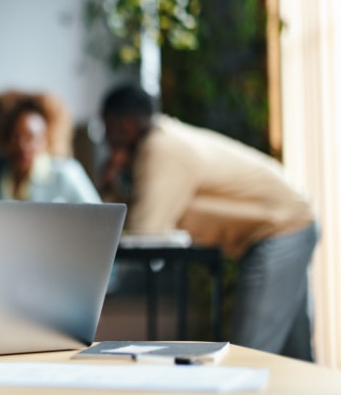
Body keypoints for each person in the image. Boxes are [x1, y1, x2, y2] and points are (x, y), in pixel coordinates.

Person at [100, 82, 319, 361]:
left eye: (107, 127)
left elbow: (145, 231)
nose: (106, 138)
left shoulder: (160, 148)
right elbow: (155, 210)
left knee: (249, 355)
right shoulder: (164, 139)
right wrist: (115, 183)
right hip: (292, 221)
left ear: (126, 124)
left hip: (281, 228)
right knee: (296, 357)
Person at [0, 90, 100, 203]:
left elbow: (99, 215)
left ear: (46, 139)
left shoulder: (67, 173)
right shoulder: (2, 176)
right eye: (15, 137)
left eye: (31, 138)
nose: (22, 145)